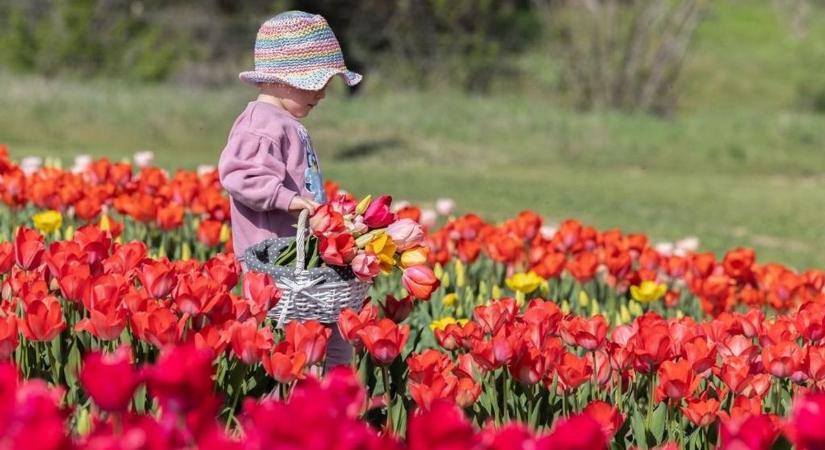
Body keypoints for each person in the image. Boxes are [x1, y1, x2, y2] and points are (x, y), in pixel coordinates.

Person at [218, 11, 362, 369]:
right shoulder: (261, 125)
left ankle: (336, 400)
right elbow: (239, 175)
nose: (324, 94)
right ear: (283, 81)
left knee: (334, 338)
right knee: (292, 352)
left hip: (302, 263)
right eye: (316, 84)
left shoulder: (284, 122)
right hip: (276, 270)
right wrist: (290, 200)